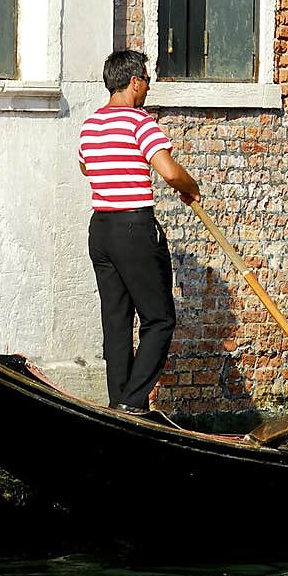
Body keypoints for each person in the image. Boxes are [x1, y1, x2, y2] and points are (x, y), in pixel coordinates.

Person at [78, 49, 200, 416]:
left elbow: (87, 168)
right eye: (146, 80)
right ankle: (133, 404)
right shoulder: (139, 121)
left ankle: (119, 403)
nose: (148, 87)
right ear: (134, 82)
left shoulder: (90, 125)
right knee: (160, 319)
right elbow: (169, 171)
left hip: (101, 230)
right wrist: (190, 187)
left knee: (116, 321)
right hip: (133, 227)